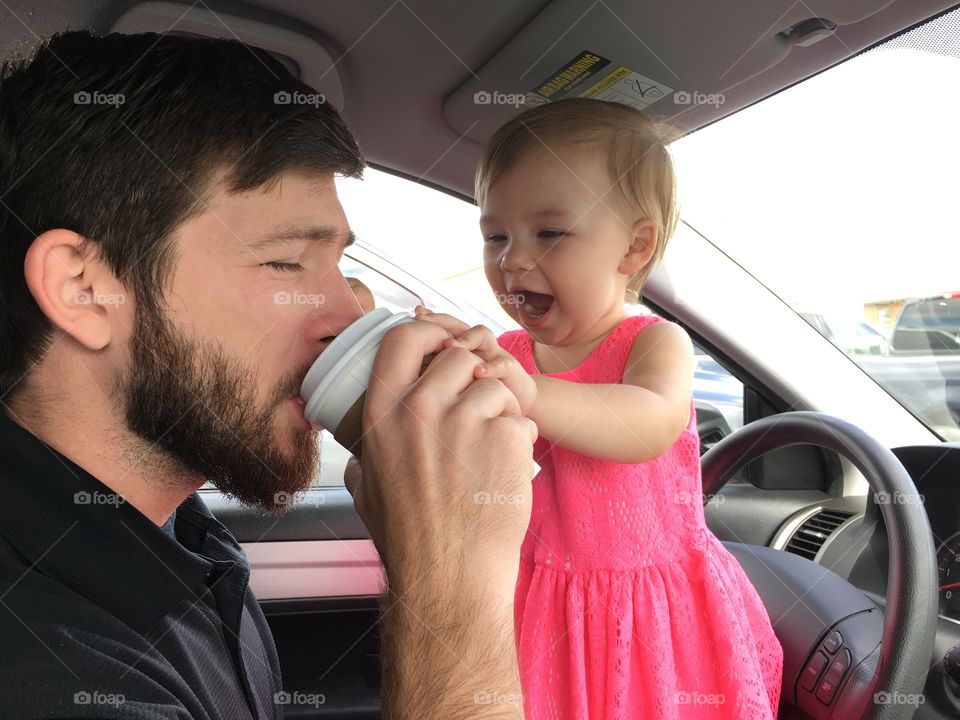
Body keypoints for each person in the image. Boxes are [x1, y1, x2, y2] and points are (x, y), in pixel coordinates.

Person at [0, 30, 534, 719]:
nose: (348, 314)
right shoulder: (42, 671)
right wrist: (452, 577)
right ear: (83, 288)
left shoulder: (173, 531)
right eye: (285, 263)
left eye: (339, 267)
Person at [415, 98, 783, 719]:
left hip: (648, 611)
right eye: (495, 235)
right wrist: (439, 365)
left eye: (549, 233)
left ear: (634, 248)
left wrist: (527, 393)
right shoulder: (508, 355)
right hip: (536, 596)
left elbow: (648, 422)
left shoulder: (651, 343)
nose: (512, 260)